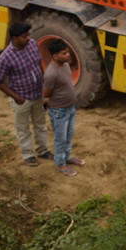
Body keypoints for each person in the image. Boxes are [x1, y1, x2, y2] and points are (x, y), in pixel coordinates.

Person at [0, 22, 51, 166]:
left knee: (40, 125)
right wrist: (16, 97)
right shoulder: (6, 57)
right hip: (22, 99)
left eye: (28, 35)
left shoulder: (31, 44)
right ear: (15, 38)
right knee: (23, 128)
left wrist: (44, 92)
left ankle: (43, 151)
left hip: (37, 95)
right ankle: (27, 155)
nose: (28, 38)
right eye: (24, 36)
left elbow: (39, 65)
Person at [43, 39, 84, 176]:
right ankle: (60, 163)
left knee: (69, 133)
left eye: (67, 52)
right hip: (59, 110)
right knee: (60, 137)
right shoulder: (51, 73)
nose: (68, 55)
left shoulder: (65, 65)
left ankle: (67, 156)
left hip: (70, 107)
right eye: (64, 53)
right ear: (54, 56)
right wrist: (51, 107)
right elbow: (46, 94)